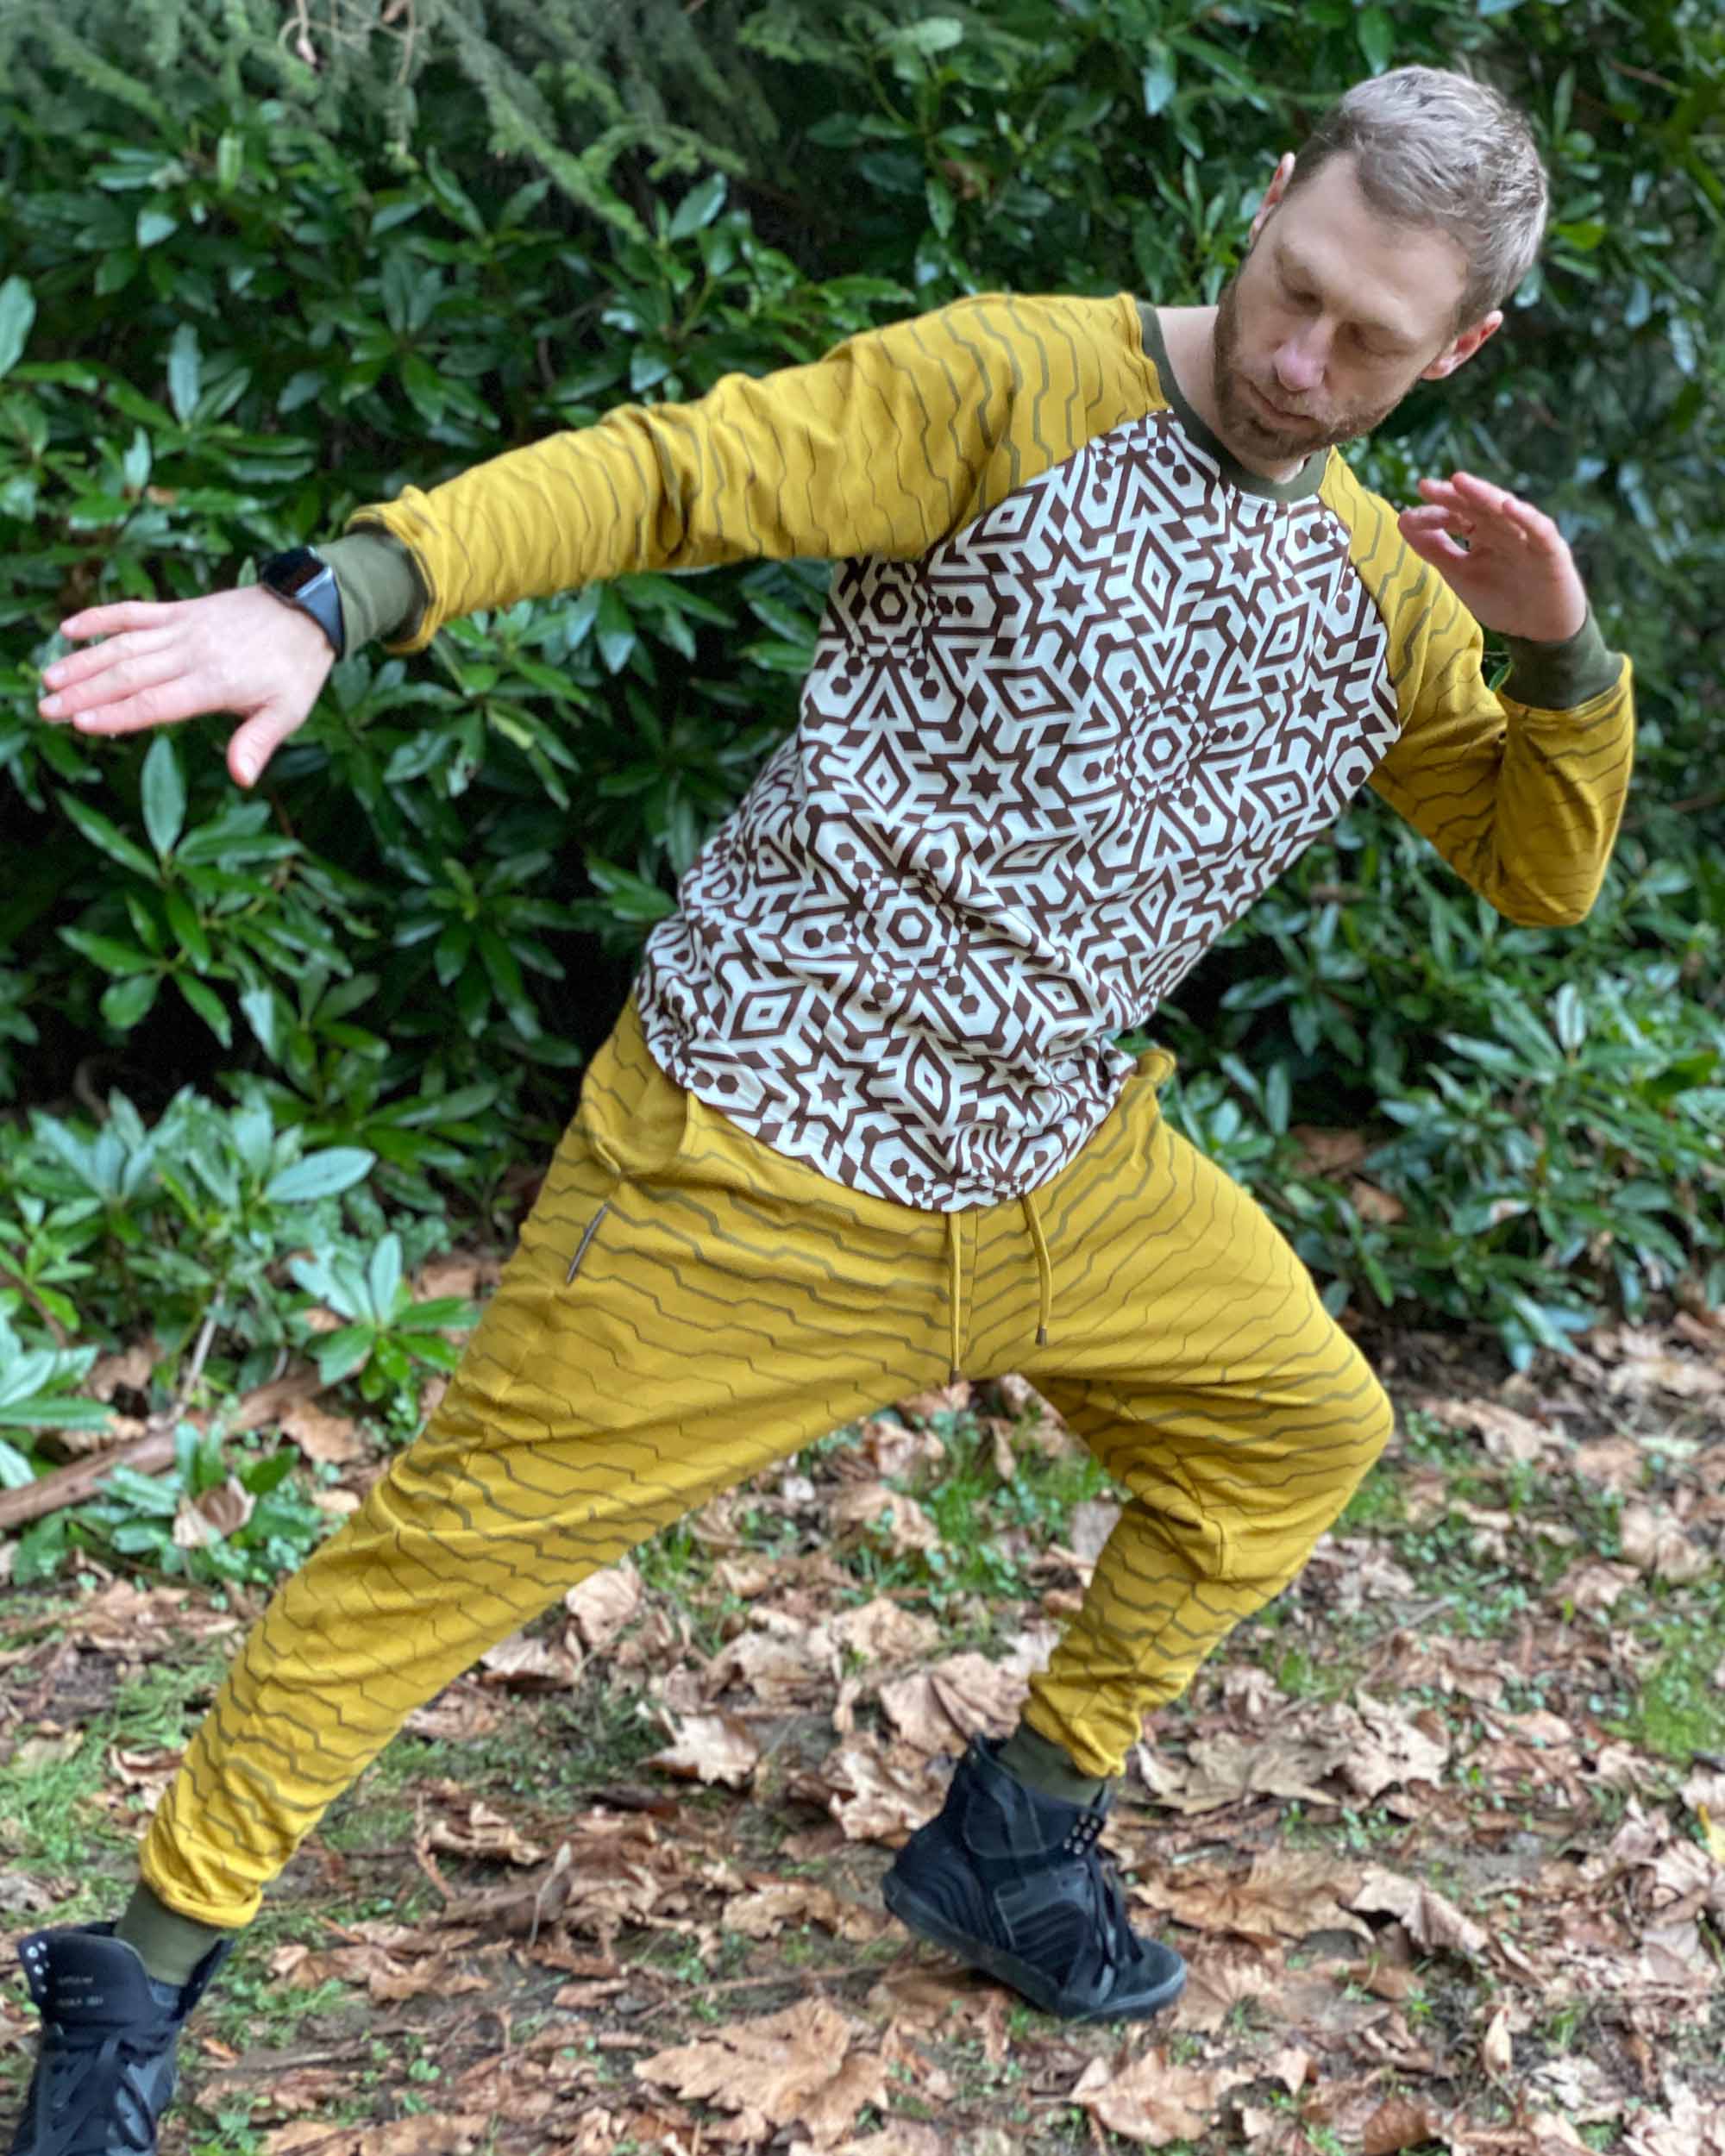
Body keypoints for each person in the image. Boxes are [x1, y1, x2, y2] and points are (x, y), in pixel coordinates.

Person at [12, 62, 1634, 2155]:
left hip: (1061, 1163)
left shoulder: (1384, 590)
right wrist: (334, 596)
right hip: (751, 1152)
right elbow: (677, 475)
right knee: (436, 1560)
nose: (1297, 354)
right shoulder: (1011, 385)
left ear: (1464, 346)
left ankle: (1018, 1825)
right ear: (1261, 197)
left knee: (1300, 1425)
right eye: (1288, 284)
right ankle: (134, 1973)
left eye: (1369, 341)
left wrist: (1563, 653)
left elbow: (1536, 860)